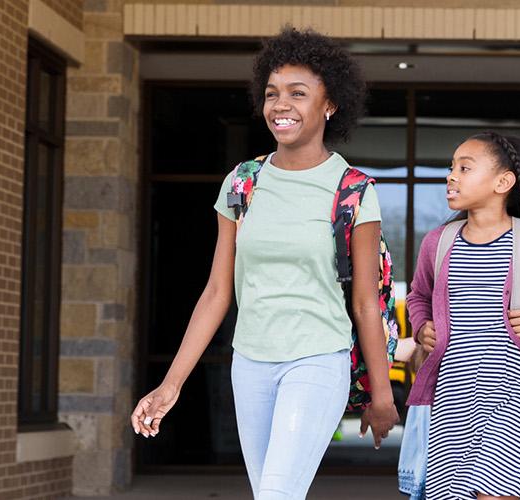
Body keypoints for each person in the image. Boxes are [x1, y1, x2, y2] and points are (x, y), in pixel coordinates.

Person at [129, 26, 398, 499]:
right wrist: (170, 385)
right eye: (272, 94)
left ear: (329, 104)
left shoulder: (354, 190)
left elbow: (365, 303)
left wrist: (381, 395)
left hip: (318, 358)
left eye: (298, 93)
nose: (280, 105)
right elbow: (217, 291)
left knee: (276, 493)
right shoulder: (242, 183)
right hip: (250, 362)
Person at [406, 132, 520, 499]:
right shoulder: (438, 242)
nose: (452, 176)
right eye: (452, 168)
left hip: (519, 396)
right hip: (453, 398)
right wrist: (422, 328)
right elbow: (417, 295)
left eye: (465, 168)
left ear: (503, 182)